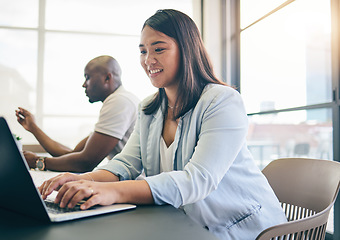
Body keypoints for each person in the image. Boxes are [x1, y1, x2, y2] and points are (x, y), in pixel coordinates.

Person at [38, 10, 287, 239]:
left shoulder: (222, 101)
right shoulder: (149, 108)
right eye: (143, 51)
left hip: (247, 230)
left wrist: (113, 191)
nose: (148, 60)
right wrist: (85, 180)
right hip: (187, 226)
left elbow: (197, 180)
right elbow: (125, 164)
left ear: (187, 50)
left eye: (159, 49)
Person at [15, 55, 140, 173]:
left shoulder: (119, 101)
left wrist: (38, 162)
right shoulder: (120, 100)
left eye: (88, 77)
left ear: (107, 78)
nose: (84, 84)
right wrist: (33, 128)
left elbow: (85, 163)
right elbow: (72, 155)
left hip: (134, 187)